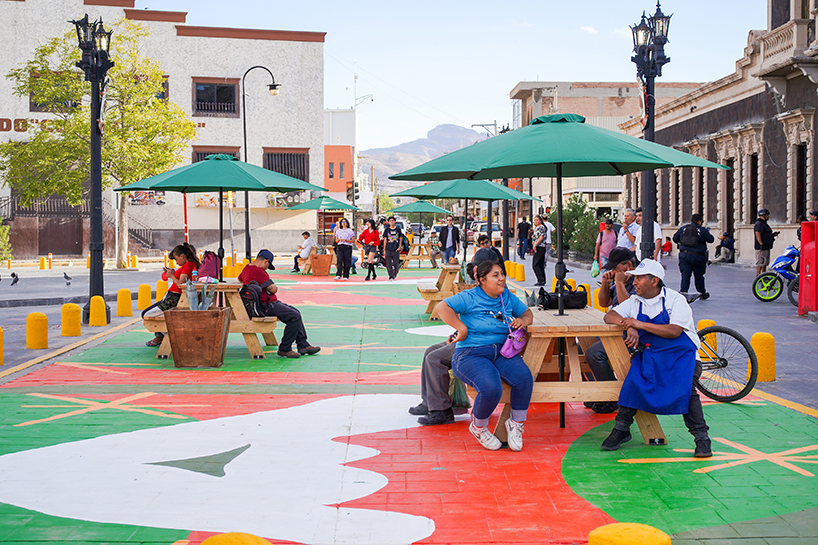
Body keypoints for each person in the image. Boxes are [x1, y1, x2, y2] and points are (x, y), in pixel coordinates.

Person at [599, 259, 712, 458]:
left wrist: (639, 325)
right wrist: (629, 325)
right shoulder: (635, 302)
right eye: (634, 278)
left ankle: (701, 438)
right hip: (651, 356)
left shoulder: (675, 300)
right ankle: (622, 429)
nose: (634, 282)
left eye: (639, 278)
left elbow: (674, 331)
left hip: (682, 357)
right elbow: (610, 316)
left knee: (686, 391)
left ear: (654, 281)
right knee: (632, 383)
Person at [437, 261, 535, 451]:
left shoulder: (506, 295)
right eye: (495, 275)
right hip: (471, 354)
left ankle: (515, 424)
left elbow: (527, 312)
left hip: (502, 351)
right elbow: (442, 307)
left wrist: (523, 320)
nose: (502, 279)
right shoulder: (470, 297)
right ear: (482, 280)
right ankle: (479, 426)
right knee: (490, 387)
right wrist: (461, 328)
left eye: (502, 274)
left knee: (524, 378)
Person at [582, 247, 639, 413]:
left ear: (628, 265)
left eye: (616, 269)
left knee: (594, 353)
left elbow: (627, 309)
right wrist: (606, 284)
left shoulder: (637, 282)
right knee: (582, 347)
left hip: (632, 336)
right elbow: (604, 302)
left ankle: (612, 397)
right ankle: (598, 393)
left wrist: (620, 282)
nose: (613, 272)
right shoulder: (621, 282)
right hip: (614, 330)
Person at [238, 249, 320, 359]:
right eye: (268, 266)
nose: (267, 268)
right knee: (294, 316)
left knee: (295, 313)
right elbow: (273, 289)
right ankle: (285, 348)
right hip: (266, 305)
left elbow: (240, 279)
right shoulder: (258, 271)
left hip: (259, 304)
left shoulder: (246, 268)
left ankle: (303, 345)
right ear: (265, 261)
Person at [143, 242, 200, 347]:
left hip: (173, 298)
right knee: (147, 314)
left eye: (176, 259)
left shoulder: (189, 264)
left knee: (147, 314)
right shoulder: (187, 265)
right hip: (170, 296)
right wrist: (173, 273)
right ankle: (163, 336)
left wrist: (172, 276)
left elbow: (181, 284)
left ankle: (170, 337)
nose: (176, 262)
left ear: (182, 256)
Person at [407, 340, 461, 425]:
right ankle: (430, 403)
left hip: (476, 342)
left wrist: (460, 336)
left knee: (435, 358)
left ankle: (442, 410)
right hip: (470, 337)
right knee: (430, 351)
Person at [672, 213, 714, 300]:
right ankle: (702, 293)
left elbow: (675, 238)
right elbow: (711, 239)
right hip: (698, 257)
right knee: (699, 275)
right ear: (699, 221)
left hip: (684, 255)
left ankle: (683, 292)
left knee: (685, 274)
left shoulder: (683, 228)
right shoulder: (702, 230)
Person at [754, 209, 778, 275]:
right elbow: (758, 233)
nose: (768, 216)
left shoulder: (763, 223)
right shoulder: (759, 224)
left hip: (766, 246)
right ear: (763, 215)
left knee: (764, 262)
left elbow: (765, 234)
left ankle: (763, 274)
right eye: (767, 215)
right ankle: (758, 275)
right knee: (760, 261)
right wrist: (761, 244)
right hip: (761, 247)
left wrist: (772, 235)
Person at [381, 216, 403, 281]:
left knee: (396, 264)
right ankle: (391, 276)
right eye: (390, 221)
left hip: (396, 249)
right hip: (388, 248)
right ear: (388, 222)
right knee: (388, 264)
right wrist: (384, 249)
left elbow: (400, 238)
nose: (391, 222)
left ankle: (394, 273)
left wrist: (399, 247)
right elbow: (385, 239)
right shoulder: (387, 230)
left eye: (392, 221)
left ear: (395, 221)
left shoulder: (398, 229)